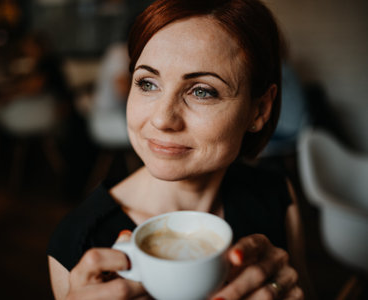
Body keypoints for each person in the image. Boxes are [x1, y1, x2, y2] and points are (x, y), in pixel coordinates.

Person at [47, 0, 305, 299]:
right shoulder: (79, 245)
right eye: (147, 83)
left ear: (259, 110)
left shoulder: (277, 195)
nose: (162, 119)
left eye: (202, 91)